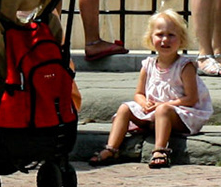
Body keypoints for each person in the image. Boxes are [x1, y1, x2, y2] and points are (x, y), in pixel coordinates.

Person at [88, 10, 211, 170]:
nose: (165, 40)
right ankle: (112, 148)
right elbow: (139, 93)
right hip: (153, 112)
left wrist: (164, 104)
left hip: (181, 114)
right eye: (160, 35)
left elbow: (191, 98)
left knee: (164, 110)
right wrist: (144, 102)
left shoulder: (184, 66)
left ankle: (160, 150)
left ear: (181, 39)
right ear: (151, 38)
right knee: (125, 108)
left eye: (171, 35)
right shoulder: (148, 65)